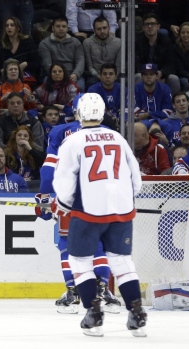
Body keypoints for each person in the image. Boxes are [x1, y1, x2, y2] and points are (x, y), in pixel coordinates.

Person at [51, 93, 147, 337]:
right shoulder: (118, 138)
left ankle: (93, 314)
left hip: (88, 212)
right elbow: (136, 179)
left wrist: (63, 204)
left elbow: (64, 182)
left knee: (80, 262)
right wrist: (122, 199)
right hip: (122, 212)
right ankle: (136, 312)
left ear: (79, 113)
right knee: (122, 262)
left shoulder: (73, 141)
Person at [34, 94, 121, 314]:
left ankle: (73, 292)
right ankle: (102, 289)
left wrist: (44, 197)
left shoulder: (61, 132)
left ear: (75, 111)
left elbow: (48, 170)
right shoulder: (111, 135)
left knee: (67, 244)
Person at [134, 13, 179, 94]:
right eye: (147, 24)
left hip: (160, 74)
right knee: (137, 77)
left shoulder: (166, 42)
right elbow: (135, 63)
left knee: (174, 79)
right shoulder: (137, 42)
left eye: (152, 24)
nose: (150, 27)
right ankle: (138, 104)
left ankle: (172, 105)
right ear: (143, 28)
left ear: (158, 27)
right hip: (143, 73)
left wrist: (162, 72)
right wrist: (148, 73)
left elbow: (171, 63)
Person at [38, 16, 85, 92]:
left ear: (67, 28)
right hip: (53, 75)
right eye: (58, 26)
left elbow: (80, 61)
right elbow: (47, 64)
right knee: (46, 83)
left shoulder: (76, 42)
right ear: (52, 28)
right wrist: (58, 75)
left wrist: (76, 74)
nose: (61, 28)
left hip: (72, 74)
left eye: (64, 26)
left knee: (80, 86)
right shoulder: (44, 43)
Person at [0, 17, 40, 87]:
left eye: (12, 25)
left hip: (26, 76)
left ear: (18, 28)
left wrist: (25, 64)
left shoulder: (28, 42)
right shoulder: (0, 43)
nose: (9, 27)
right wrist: (2, 70)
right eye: (7, 25)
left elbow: (37, 63)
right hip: (6, 77)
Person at [82, 16, 121, 88]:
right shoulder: (87, 42)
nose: (102, 31)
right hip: (96, 75)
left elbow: (118, 66)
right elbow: (89, 66)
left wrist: (112, 76)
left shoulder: (118, 42)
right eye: (99, 29)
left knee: (123, 82)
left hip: (114, 75)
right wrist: (100, 77)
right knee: (90, 82)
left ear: (109, 28)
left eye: (104, 28)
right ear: (94, 30)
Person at [87, 63, 121, 129]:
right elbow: (93, 111)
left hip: (120, 122)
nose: (107, 76)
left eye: (111, 74)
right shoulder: (92, 90)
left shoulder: (122, 89)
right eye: (105, 74)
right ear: (100, 76)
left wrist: (119, 119)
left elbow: (127, 108)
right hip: (101, 123)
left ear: (116, 76)